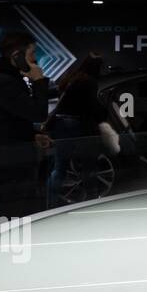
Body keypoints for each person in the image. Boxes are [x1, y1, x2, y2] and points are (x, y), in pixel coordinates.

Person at [0, 31, 51, 217]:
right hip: (10, 160)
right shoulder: (4, 82)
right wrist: (39, 81)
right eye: (32, 54)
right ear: (17, 56)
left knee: (16, 207)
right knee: (14, 209)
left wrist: (32, 135)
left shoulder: (5, 80)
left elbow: (10, 120)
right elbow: (38, 113)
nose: (35, 60)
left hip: (10, 156)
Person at [44, 54, 109, 206]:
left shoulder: (73, 78)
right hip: (78, 125)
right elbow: (92, 106)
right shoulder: (90, 82)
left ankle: (49, 202)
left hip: (61, 124)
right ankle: (91, 201)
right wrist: (103, 115)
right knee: (88, 165)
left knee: (60, 167)